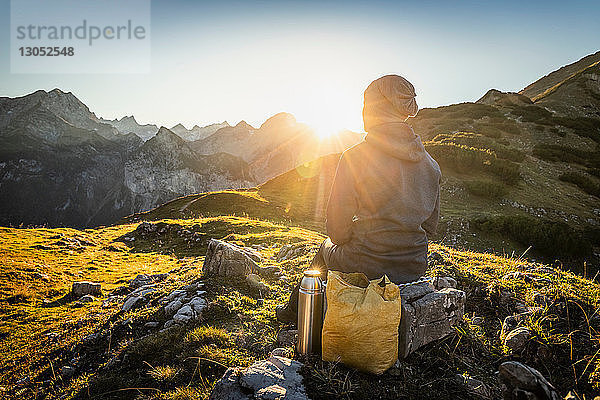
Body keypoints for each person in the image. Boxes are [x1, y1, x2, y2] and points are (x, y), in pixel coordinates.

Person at [276, 74, 441, 323]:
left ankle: (294, 314)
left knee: (324, 248)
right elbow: (430, 227)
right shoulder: (431, 165)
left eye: (366, 104)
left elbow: (337, 232)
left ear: (376, 109)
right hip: (414, 265)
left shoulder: (355, 157)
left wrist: (365, 233)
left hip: (366, 263)